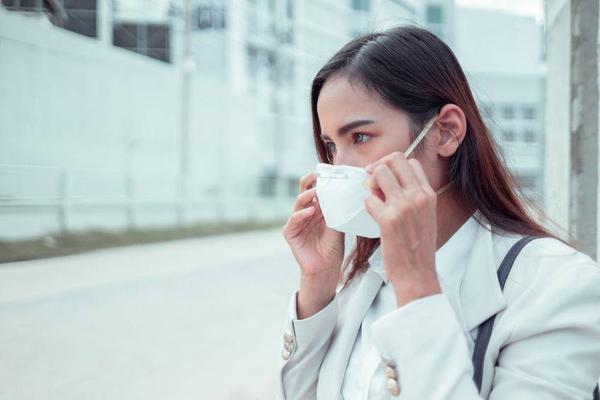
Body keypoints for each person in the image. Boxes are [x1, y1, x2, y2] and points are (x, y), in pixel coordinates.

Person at [276, 26, 600, 400]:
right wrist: (317, 286)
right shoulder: (366, 279)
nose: (338, 166)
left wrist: (416, 285)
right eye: (331, 145)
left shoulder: (558, 286)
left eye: (360, 137)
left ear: (445, 133)